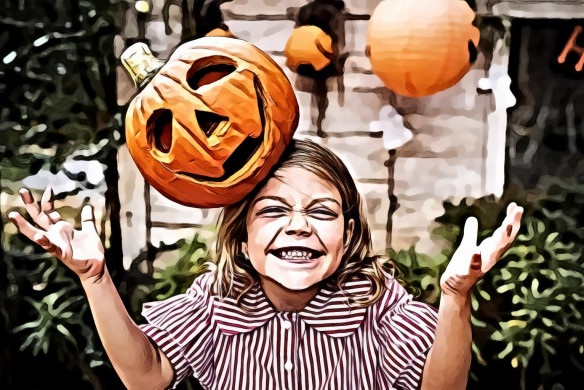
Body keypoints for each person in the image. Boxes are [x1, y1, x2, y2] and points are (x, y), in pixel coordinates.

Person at [9, 139, 523, 390]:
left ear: (347, 236)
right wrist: (95, 277)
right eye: (274, 211)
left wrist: (455, 297)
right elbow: (147, 378)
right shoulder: (217, 301)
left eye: (321, 213)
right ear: (244, 236)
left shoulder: (374, 303)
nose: (299, 226)